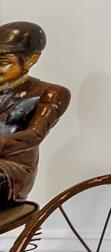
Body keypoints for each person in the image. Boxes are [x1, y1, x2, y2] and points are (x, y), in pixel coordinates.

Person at [0, 21, 70, 205]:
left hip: (12, 170)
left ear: (31, 60)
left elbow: (34, 135)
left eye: (4, 63)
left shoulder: (50, 93)